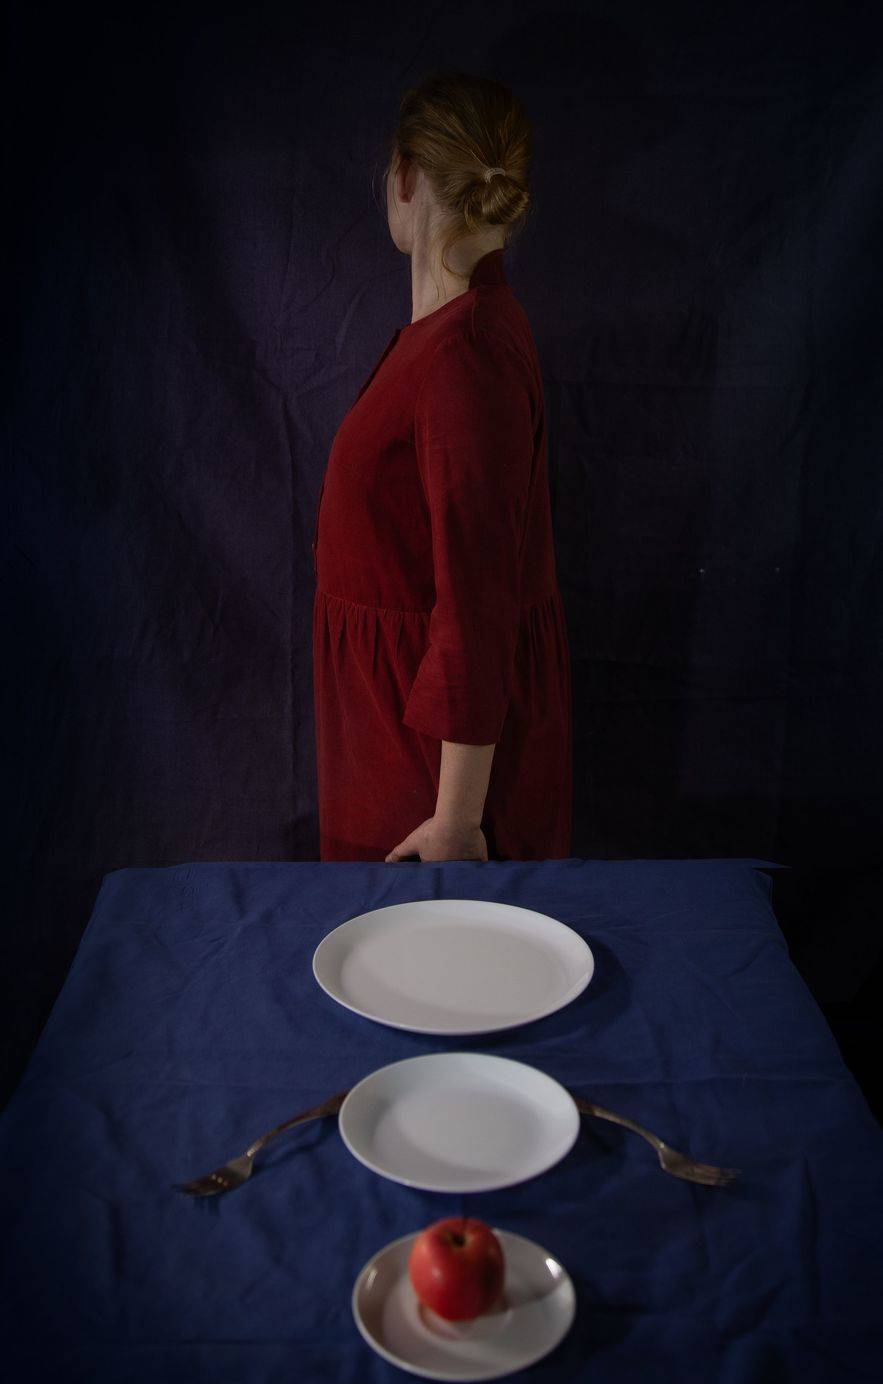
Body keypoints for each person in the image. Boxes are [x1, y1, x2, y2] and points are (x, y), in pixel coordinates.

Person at [312, 71, 573, 862]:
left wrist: (456, 822)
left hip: (429, 769)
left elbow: (477, 602)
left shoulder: (465, 354)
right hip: (399, 727)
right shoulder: (455, 336)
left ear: (405, 175)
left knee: (421, 938)